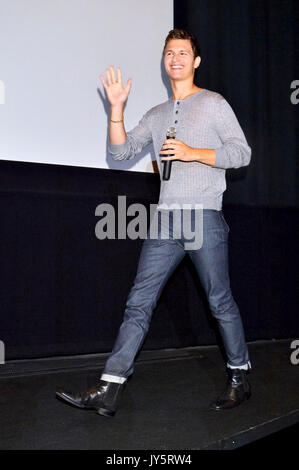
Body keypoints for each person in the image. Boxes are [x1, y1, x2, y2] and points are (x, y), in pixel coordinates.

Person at [56, 29, 252, 417]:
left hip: (203, 217)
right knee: (138, 302)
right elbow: (121, 151)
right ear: (164, 64)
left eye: (183, 52)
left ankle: (239, 376)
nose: (175, 58)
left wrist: (191, 151)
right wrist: (116, 110)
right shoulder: (157, 114)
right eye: (169, 53)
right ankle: (110, 388)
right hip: (164, 220)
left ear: (195, 62)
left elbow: (241, 153)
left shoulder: (213, 103)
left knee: (219, 301)